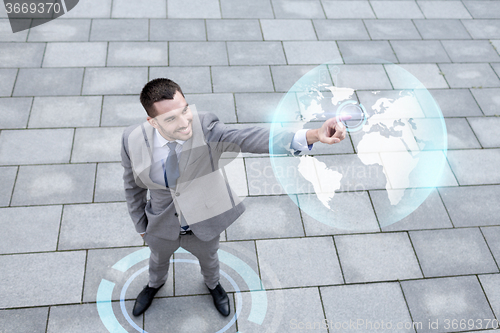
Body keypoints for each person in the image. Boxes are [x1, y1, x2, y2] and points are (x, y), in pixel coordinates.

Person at [120, 78, 349, 318]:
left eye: (185, 110)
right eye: (170, 118)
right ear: (152, 122)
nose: (184, 122)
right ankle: (154, 285)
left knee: (210, 260)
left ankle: (213, 285)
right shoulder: (131, 139)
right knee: (157, 261)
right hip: (160, 225)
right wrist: (141, 227)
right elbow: (131, 186)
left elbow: (249, 137)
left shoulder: (205, 128)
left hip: (203, 222)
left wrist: (313, 135)